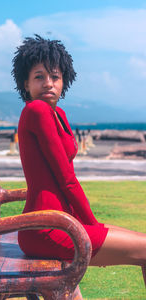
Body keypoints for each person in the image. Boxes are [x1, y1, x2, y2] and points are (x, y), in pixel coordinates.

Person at [12, 35, 146, 272]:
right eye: (39, 77)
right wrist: (92, 228)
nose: (48, 83)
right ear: (25, 83)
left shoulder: (58, 114)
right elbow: (66, 180)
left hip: (63, 221)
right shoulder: (36, 110)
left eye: (55, 77)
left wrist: (89, 227)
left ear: (64, 81)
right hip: (45, 228)